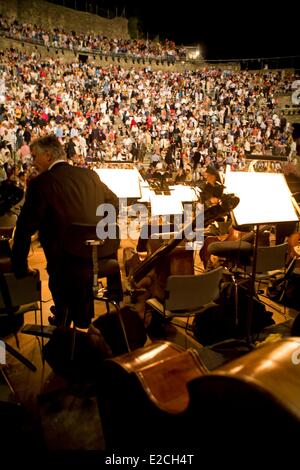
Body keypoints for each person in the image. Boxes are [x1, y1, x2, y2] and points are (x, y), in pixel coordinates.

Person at [11, 135, 123, 328]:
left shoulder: (41, 183)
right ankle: (77, 322)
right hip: (99, 257)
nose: (33, 161)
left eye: (35, 156)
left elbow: (24, 228)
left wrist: (19, 268)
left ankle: (67, 324)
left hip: (64, 263)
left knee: (63, 276)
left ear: (48, 155)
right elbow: (113, 201)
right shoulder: (90, 175)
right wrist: (102, 228)